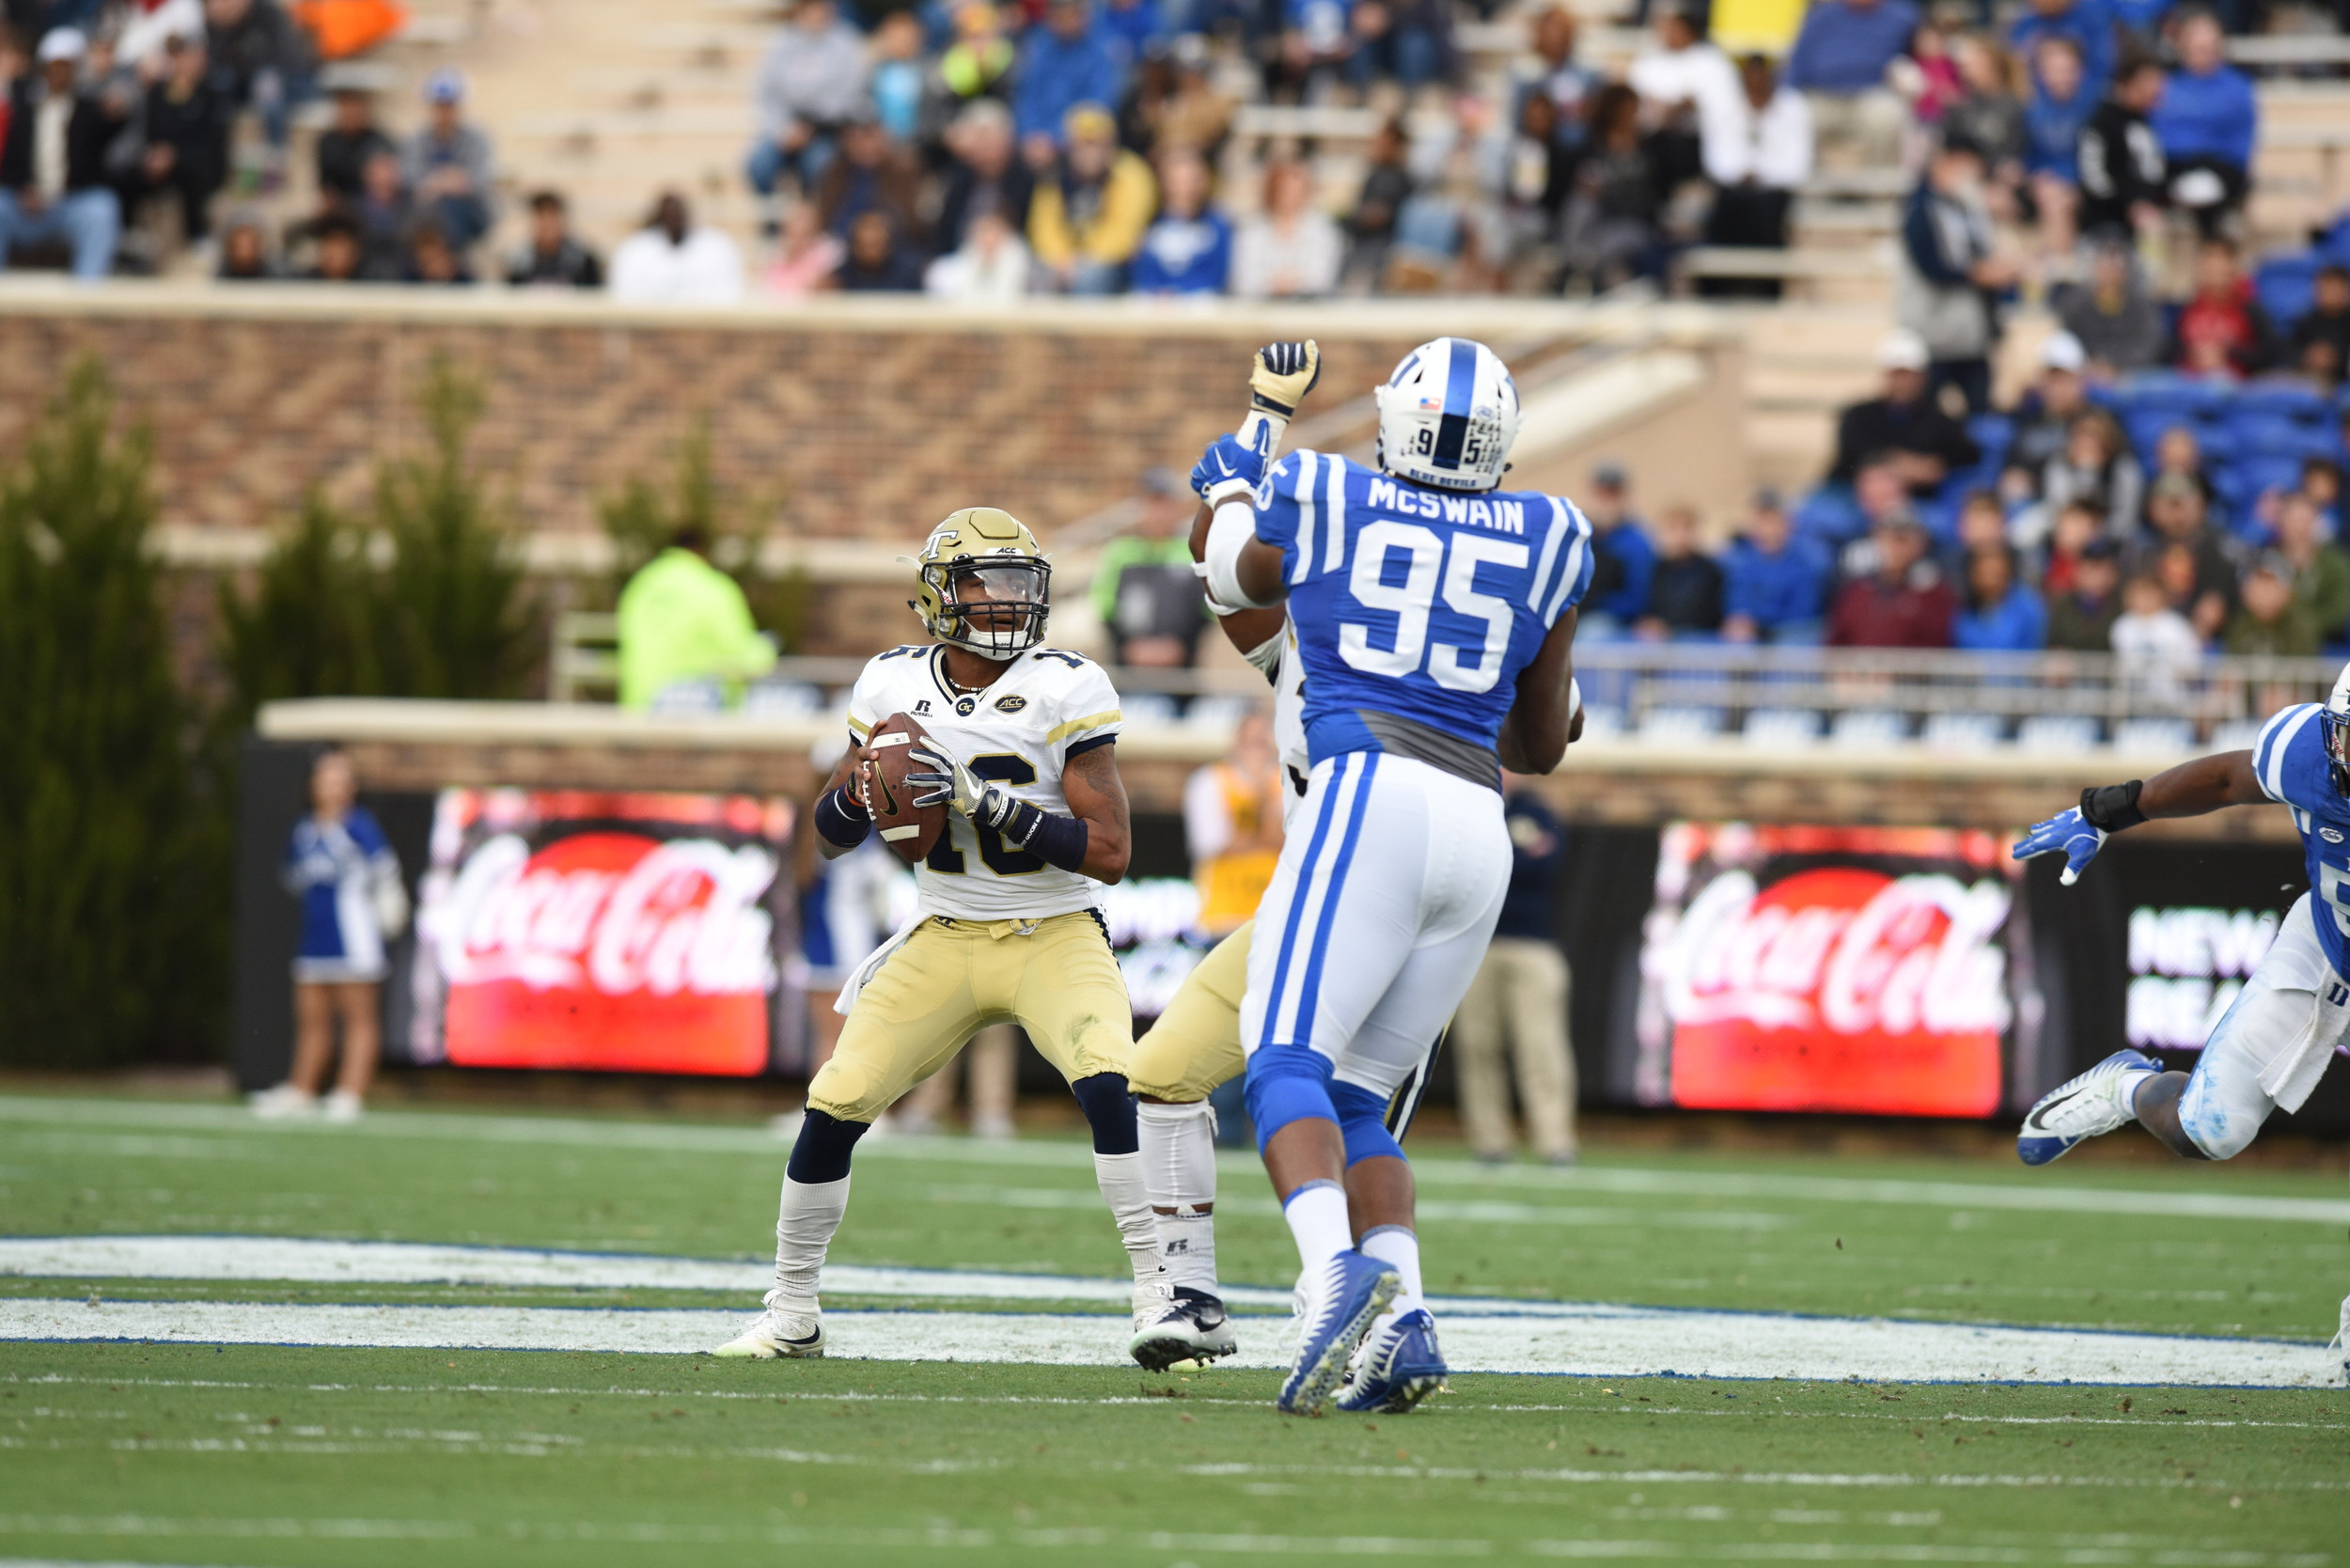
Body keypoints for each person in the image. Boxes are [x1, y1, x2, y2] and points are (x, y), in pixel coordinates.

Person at [1191, 336, 1590, 1415]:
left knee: (1279, 1064)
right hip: (1478, 822)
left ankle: (1331, 1275)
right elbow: (1546, 744)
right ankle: (1404, 1315)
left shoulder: (1327, 489)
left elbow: (1227, 575)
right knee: (1363, 1100)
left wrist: (1241, 462)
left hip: (1367, 792)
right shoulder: (1554, 532)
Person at [712, 508, 1166, 1362]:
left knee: (1112, 1081)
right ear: (936, 595)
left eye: (1018, 585)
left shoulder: (1068, 684)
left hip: (1054, 926)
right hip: (945, 926)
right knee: (836, 1102)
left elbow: (1110, 853)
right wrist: (863, 791)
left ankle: (1158, 1295)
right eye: (983, 584)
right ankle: (792, 1308)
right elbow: (832, 835)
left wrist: (982, 799)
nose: (1004, 604)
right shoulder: (888, 683)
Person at [2007, 668, 2350, 1301]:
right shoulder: (2306, 753)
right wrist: (2106, 811)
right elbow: (2225, 779)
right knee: (2208, 1132)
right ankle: (2129, 1085)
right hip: (2327, 945)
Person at [252, 749, 404, 1123]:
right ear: (312, 785)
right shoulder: (303, 831)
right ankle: (301, 1089)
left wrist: (387, 906)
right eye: (328, 777)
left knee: (358, 1019)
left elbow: (385, 872)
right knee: (312, 1019)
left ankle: (349, 1093)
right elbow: (292, 878)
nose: (336, 786)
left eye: (343, 778)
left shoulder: (358, 826)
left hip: (355, 940)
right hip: (314, 939)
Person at [1450, 777, 1574, 1166]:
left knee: (1540, 1046)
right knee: (1477, 1045)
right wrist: (1514, 855)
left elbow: (1546, 864)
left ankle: (1555, 1141)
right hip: (1477, 945)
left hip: (1532, 945)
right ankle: (1490, 1141)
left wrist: (1493, 859)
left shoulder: (1535, 809)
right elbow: (1456, 867)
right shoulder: (1468, 804)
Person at [1897, 136, 2016, 415]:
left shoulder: (1967, 208)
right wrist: (1980, 274)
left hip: (1971, 336)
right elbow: (1931, 264)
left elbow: (1981, 253)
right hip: (1933, 334)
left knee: (1981, 412)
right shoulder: (1920, 208)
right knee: (1925, 415)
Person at [615, 525, 777, 711]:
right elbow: (739, 650)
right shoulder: (713, 587)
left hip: (638, 706)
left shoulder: (641, 585)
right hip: (696, 705)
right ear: (702, 551)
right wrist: (767, 651)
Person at [0, 28, 119, 278]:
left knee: (102, 209)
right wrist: (23, 188)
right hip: (25, 205)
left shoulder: (90, 111)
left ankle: (87, 298)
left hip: (69, 204)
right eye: (53, 66)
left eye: (66, 67)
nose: (58, 74)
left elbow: (101, 154)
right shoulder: (23, 108)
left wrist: (117, 112)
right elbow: (10, 160)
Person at [1698, 52, 1812, 295]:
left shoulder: (1794, 107)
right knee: (1728, 205)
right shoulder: (1725, 107)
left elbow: (1797, 164)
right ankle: (1716, 288)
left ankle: (1768, 287)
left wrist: (1763, 174)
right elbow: (1716, 158)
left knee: (1765, 209)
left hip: (1774, 189)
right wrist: (1741, 172)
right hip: (1734, 187)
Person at [745, 0, 870, 202]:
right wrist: (782, 130)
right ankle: (772, 224)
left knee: (820, 165)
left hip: (826, 132)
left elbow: (850, 96)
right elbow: (767, 94)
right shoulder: (781, 43)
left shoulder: (847, 43)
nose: (817, 14)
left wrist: (811, 125)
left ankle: (815, 218)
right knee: (759, 164)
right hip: (786, 130)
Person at [1829, 329, 1981, 493]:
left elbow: (1965, 454)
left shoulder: (1939, 420)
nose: (1904, 382)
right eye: (1897, 374)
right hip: (1853, 495)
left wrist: (1935, 467)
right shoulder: (1859, 415)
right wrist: (1901, 464)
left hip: (1921, 503)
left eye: (1909, 375)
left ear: (1923, 376)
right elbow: (1854, 452)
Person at [1026, 102, 1153, 294]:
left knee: (1090, 278)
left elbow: (1126, 233)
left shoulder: (1131, 173)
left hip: (1111, 262)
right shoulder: (1055, 175)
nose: (1089, 152)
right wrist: (1062, 259)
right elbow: (1042, 227)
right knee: (1036, 273)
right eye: (1082, 144)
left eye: (1096, 144)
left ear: (1111, 145)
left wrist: (1083, 261)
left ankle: (1079, 326)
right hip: (1064, 261)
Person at [2148, 7, 2253, 240]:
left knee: (2213, 200)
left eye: (2207, 47)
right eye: (2196, 47)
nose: (2202, 53)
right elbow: (2157, 133)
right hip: (2174, 166)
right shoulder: (2166, 86)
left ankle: (2213, 259)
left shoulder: (2237, 88)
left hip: (2221, 168)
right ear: (2183, 47)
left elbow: (2242, 142)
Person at [1185, 707, 1285, 942]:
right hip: (1223, 917)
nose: (1255, 749)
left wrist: (1262, 792)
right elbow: (1212, 845)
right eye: (1248, 740)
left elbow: (1294, 844)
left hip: (1276, 916)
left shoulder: (1287, 783)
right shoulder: (1209, 781)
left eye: (1261, 741)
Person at [1092, 467, 1207, 667]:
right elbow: (1105, 609)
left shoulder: (1194, 552)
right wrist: (1128, 646)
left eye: (1166, 505)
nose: (1159, 514)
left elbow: (1206, 613)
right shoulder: (1119, 553)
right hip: (1129, 671)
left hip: (1184, 673)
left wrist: (1182, 646)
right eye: (1153, 504)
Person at [1780, 0, 1915, 167]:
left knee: (1887, 117)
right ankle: (1807, 186)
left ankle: (1879, 188)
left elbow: (1920, 57)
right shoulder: (1823, 15)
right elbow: (1798, 62)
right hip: (1822, 95)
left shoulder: (1902, 17)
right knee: (1798, 117)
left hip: (1874, 93)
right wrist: (1785, 99)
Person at [133, 32, 227, 244]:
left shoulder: (209, 95)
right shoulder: (158, 93)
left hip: (197, 161)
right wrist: (155, 154)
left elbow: (212, 142)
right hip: (161, 160)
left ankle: (197, 235)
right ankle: (132, 233)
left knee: (192, 175)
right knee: (130, 173)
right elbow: (150, 131)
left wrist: (174, 155)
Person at [1014, 0, 1123, 160]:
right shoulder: (1038, 47)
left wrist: (1056, 138)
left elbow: (1098, 103)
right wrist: (1030, 134)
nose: (1064, 22)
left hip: (1079, 139)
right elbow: (1026, 96)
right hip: (1037, 141)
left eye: (1070, 15)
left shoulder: (1100, 50)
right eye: (1058, 16)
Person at [2075, 52, 2165, 244]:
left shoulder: (2147, 121)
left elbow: (2154, 171)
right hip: (2105, 220)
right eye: (2146, 83)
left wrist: (2146, 201)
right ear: (2125, 82)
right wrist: (2130, 205)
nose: (2154, 89)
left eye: (2157, 83)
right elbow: (2094, 180)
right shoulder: (2101, 123)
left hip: (2144, 210)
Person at [1826, 511, 1954, 648]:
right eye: (1886, 538)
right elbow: (1835, 643)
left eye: (1902, 540)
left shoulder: (1934, 593)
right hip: (1859, 667)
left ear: (1920, 544)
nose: (1894, 548)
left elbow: (1937, 645)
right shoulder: (1856, 592)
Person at [2134, 474, 2236, 642]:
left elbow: (2218, 604)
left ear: (2201, 505)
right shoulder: (2142, 549)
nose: (2176, 512)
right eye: (2170, 504)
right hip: (2151, 638)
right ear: (2153, 508)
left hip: (2205, 642)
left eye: (2181, 504)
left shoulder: (2220, 549)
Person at [1720, 488, 1831, 643]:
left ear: (1787, 524)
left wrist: (1761, 627)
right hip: (1751, 637)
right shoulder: (1741, 561)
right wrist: (1741, 621)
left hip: (1789, 635)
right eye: (1762, 521)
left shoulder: (1806, 564)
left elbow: (1801, 614)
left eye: (1773, 521)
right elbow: (1737, 604)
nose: (1768, 529)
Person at [400, 68, 493, 251]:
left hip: (471, 213)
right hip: (426, 213)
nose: (444, 111)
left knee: (451, 208)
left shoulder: (477, 138)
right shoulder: (417, 139)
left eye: (449, 105)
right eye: (439, 105)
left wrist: (435, 184)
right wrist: (450, 180)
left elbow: (477, 181)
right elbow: (410, 180)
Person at [1230, 155, 1341, 300]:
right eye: (1284, 190)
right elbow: (1244, 278)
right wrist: (1274, 284)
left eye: (1297, 191)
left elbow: (1322, 277)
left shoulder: (1323, 229)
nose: (1290, 196)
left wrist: (1292, 284)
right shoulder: (1253, 228)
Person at [932, 98, 1034, 258]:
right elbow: (946, 232)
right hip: (964, 257)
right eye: (981, 139)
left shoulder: (1026, 179)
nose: (987, 147)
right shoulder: (960, 179)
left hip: (1012, 257)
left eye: (992, 137)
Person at [2020, 35, 2091, 260]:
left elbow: (2094, 156)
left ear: (2080, 71)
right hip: (2045, 186)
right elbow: (2027, 157)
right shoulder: (2033, 111)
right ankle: (2060, 267)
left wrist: (2073, 182)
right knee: (2052, 197)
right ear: (2041, 74)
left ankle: (2060, 269)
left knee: (2057, 200)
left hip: (2083, 183)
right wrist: (2033, 177)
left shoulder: (2091, 107)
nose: (2062, 77)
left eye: (2068, 69)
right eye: (2054, 70)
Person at [608, 191, 745, 305]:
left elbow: (729, 296)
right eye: (668, 216)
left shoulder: (716, 247)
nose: (673, 221)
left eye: (677, 215)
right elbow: (625, 298)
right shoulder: (635, 250)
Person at [2055, 237, 2164, 375]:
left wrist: (2116, 365)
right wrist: (2088, 365)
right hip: (2084, 372)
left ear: (2126, 272)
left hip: (2130, 374)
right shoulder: (2077, 303)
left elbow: (2150, 344)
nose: (2110, 274)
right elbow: (2067, 339)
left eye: (2116, 268)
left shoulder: (2141, 305)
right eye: (2105, 267)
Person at [2169, 237, 2274, 378]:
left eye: (2220, 262)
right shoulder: (2188, 309)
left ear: (2232, 267)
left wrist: (2228, 353)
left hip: (2233, 385)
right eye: (2208, 261)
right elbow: (2171, 351)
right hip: (2188, 381)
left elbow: (2270, 355)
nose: (2214, 268)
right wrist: (2194, 353)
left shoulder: (2250, 309)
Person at [1131, 147, 1230, 295]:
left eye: (1192, 180)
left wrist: (1180, 294)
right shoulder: (1150, 225)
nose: (1186, 188)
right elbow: (1142, 273)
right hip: (1156, 305)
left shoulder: (1218, 226)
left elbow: (1217, 274)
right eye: (1179, 180)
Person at [814, 114, 921, 240]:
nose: (866, 146)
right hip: (841, 242)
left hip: (890, 244)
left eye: (870, 137)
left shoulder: (902, 170)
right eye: (858, 138)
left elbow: (906, 219)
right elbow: (827, 216)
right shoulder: (835, 172)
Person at [1578, 461, 1654, 636]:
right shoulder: (1577, 533)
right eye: (1601, 494)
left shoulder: (1636, 541)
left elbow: (1638, 598)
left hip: (1614, 623)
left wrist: (1596, 602)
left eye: (1612, 495)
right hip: (1573, 614)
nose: (1606, 502)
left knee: (1593, 631)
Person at [1636, 505, 1725, 639]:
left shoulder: (1711, 571)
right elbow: (1645, 608)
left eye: (1686, 528)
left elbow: (1712, 613)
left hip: (1701, 639)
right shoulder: (1654, 569)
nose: (1680, 535)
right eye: (1673, 528)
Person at [2273, 490, 2350, 643]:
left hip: (2325, 643)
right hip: (2275, 643)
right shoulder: (2266, 559)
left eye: (2305, 520)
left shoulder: (2336, 563)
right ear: (2282, 523)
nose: (2300, 527)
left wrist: (2304, 627)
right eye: (2294, 520)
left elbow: (2340, 609)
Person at [313, 78, 389, 211]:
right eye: (346, 106)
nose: (351, 112)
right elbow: (325, 185)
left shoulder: (379, 140)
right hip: (340, 207)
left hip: (371, 208)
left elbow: (382, 185)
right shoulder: (327, 142)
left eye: (355, 106)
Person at [2223, 555, 2320, 658]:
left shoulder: (2302, 626)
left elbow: (2303, 669)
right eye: (2260, 584)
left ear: (2287, 591)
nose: (2265, 594)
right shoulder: (2239, 624)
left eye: (2271, 584)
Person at [1952, 544, 2046, 651]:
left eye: (1995, 572)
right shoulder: (1964, 610)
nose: (1990, 577)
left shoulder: (2027, 607)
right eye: (1984, 571)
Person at [923, 207, 1027, 301]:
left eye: (995, 233)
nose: (989, 240)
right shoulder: (950, 268)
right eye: (984, 232)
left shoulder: (1027, 270)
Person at [504, 189, 601, 288]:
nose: (547, 224)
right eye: (541, 217)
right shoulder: (518, 263)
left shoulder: (583, 262)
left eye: (552, 217)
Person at [2044, 535, 2123, 650]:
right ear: (2078, 571)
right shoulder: (2063, 606)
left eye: (2105, 569)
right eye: (2092, 569)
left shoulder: (2123, 606)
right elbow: (2052, 646)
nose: (2098, 577)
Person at [2289, 264, 2350, 388]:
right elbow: (2289, 351)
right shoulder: (2305, 321)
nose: (2329, 293)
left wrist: (2335, 358)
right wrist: (2308, 356)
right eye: (2324, 287)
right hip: (2308, 379)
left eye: (2335, 288)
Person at [836, 209, 924, 291]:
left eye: (876, 244)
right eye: (866, 245)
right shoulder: (840, 278)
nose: (871, 252)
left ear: (888, 243)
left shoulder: (908, 275)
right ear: (854, 245)